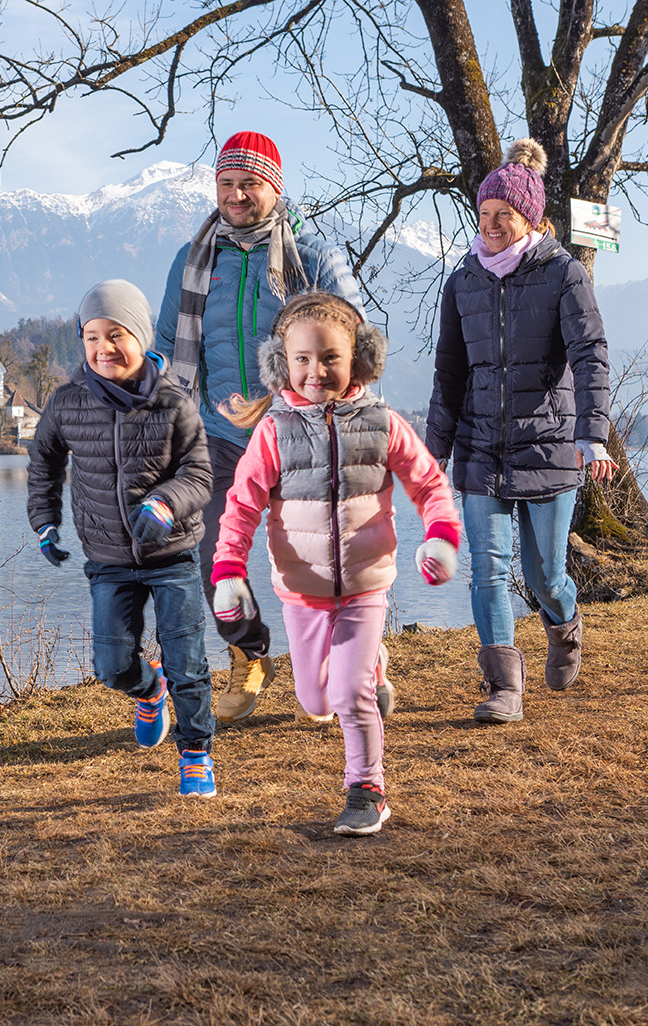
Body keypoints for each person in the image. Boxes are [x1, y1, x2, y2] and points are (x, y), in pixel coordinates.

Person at [211, 292, 461, 834]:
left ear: (359, 359)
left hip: (366, 585)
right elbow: (241, 505)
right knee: (315, 697)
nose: (315, 370)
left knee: (350, 696)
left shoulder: (382, 422)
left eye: (329, 358)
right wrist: (228, 570)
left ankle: (366, 789)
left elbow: (429, 483)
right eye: (302, 359)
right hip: (301, 590)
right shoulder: (273, 433)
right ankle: (372, 664)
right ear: (282, 363)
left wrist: (440, 535)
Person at [155, 130, 375, 725]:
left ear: (273, 187)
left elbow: (358, 332)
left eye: (248, 183)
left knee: (317, 553)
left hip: (300, 432)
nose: (236, 194)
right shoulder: (195, 259)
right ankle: (248, 654)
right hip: (218, 434)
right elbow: (165, 346)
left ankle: (354, 660)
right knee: (212, 553)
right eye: (226, 183)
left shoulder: (312, 253)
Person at [425, 138, 616, 725]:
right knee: (487, 567)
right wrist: (430, 454)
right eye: (482, 216)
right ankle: (504, 685)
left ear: (528, 218)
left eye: (502, 216)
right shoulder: (463, 280)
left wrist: (593, 434)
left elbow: (589, 352)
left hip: (550, 446)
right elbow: (449, 372)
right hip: (482, 449)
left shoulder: (564, 273)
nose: (490, 227)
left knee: (543, 575)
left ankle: (566, 624)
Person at [28, 279, 219, 796]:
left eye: (116, 335)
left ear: (138, 335)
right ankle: (147, 687)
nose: (103, 348)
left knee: (188, 660)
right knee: (112, 666)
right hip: (108, 556)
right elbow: (43, 462)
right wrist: (44, 521)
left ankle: (196, 753)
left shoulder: (173, 402)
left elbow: (200, 474)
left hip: (173, 552)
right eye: (92, 336)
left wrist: (164, 502)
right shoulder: (68, 402)